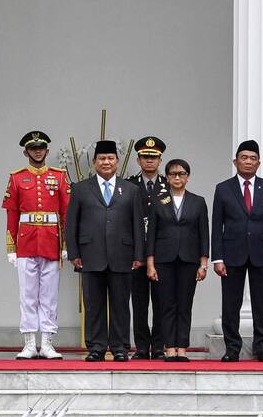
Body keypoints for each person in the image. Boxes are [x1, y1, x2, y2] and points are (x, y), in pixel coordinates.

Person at [64, 140, 144, 361]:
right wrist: (74, 253)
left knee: (120, 304)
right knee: (94, 304)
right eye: (102, 158)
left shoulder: (131, 190)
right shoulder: (80, 188)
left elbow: (137, 224)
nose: (106, 162)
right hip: (90, 255)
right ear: (94, 162)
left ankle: (120, 348)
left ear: (117, 162)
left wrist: (139, 254)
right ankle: (97, 347)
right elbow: (72, 223)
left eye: (110, 158)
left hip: (123, 255)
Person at [2, 131, 71, 359]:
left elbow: (66, 213)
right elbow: (12, 215)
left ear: (47, 151)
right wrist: (11, 247)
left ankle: (48, 343)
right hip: (26, 243)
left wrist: (65, 244)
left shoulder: (59, 177)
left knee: (49, 296)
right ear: (26, 152)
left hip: (51, 242)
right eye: (33, 148)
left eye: (41, 147)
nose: (38, 151)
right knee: (28, 295)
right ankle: (30, 344)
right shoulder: (17, 178)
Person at [211, 140, 263, 362]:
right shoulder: (223, 188)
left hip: (262, 254)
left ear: (259, 163)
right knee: (230, 304)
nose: (248, 162)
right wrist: (218, 258)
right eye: (244, 157)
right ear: (235, 161)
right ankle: (232, 348)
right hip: (232, 254)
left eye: (253, 158)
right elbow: (217, 225)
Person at [145, 159, 209, 361]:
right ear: (167, 177)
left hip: (189, 260)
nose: (177, 177)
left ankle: (182, 347)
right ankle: (169, 347)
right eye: (173, 174)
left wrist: (203, 263)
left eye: (181, 174)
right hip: (164, 259)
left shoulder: (198, 201)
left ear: (188, 177)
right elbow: (151, 234)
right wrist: (150, 263)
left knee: (184, 304)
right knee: (166, 304)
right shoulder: (158, 200)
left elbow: (203, 234)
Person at [126, 136, 170, 359]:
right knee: (140, 303)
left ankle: (159, 346)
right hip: (136, 253)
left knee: (162, 302)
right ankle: (142, 347)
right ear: (138, 159)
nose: (149, 161)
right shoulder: (129, 185)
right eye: (145, 157)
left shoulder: (169, 185)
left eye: (153, 157)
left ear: (160, 160)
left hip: (162, 254)